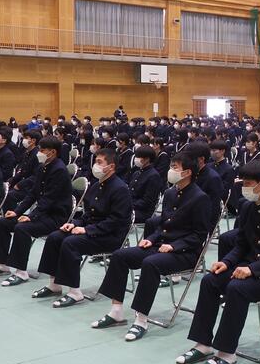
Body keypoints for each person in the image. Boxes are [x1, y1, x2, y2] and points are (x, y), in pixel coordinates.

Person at [176, 160, 260, 364]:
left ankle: (226, 352)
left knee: (236, 288)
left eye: (248, 183)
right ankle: (203, 344)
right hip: (251, 268)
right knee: (210, 280)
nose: (243, 187)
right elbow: (241, 244)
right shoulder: (247, 206)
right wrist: (226, 262)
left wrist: (253, 269)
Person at [91, 153, 212, 341]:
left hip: (186, 252)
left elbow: (199, 235)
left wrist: (174, 246)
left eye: (175, 167)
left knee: (150, 263)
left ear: (188, 172)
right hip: (162, 245)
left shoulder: (200, 198)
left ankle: (141, 320)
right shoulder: (170, 193)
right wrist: (152, 239)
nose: (171, 170)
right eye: (171, 166)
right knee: (120, 256)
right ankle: (116, 311)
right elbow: (163, 225)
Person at [31, 148, 132, 307]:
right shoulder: (97, 185)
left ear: (111, 166)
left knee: (71, 243)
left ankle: (75, 292)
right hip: (94, 230)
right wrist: (74, 224)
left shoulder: (120, 189)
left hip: (110, 236)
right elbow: (88, 215)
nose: (95, 165)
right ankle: (54, 284)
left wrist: (87, 230)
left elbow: (116, 221)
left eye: (99, 162)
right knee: (55, 237)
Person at [0, 136, 73, 286]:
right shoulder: (43, 166)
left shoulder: (59, 170)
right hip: (42, 213)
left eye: (42, 150)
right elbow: (33, 194)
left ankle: (21, 272)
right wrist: (17, 212)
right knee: (4, 222)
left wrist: (31, 216)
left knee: (22, 228)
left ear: (52, 152)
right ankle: (2, 264)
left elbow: (49, 199)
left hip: (55, 216)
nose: (39, 152)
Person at [127, 146, 163, 222]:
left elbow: (147, 201)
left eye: (138, 157)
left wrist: (129, 205)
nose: (136, 159)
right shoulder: (136, 173)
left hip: (142, 212)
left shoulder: (154, 176)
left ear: (147, 159)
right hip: (131, 206)